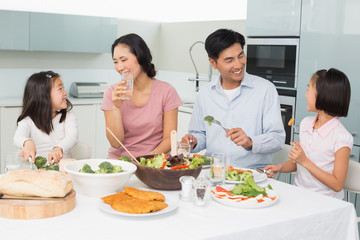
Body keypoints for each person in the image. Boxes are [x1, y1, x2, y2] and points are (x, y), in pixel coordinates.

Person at [181, 29, 285, 169]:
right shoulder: (204, 94)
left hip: (252, 174)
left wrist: (250, 142)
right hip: (214, 172)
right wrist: (193, 141)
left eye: (240, 56)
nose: (238, 65)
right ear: (213, 63)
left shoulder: (265, 90)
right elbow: (200, 134)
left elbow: (277, 139)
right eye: (229, 60)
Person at [264, 68, 353, 199]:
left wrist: (304, 160)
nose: (305, 95)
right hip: (300, 196)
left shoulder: (342, 137)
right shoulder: (306, 124)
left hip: (324, 203)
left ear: (323, 94)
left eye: (308, 89)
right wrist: (279, 167)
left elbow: (337, 184)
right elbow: (297, 163)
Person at [101, 33, 182, 159]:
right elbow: (115, 143)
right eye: (115, 62)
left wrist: (146, 161)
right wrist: (116, 107)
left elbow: (169, 139)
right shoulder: (111, 93)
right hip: (121, 163)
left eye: (123, 60)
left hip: (153, 162)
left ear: (140, 56)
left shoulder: (166, 91)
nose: (119, 67)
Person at [14, 71, 78, 164]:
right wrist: (27, 142)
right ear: (44, 95)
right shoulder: (28, 121)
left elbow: (72, 138)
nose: (65, 93)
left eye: (63, 88)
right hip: (39, 171)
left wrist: (58, 148)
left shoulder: (68, 117)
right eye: (60, 89)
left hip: (64, 169)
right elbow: (18, 137)